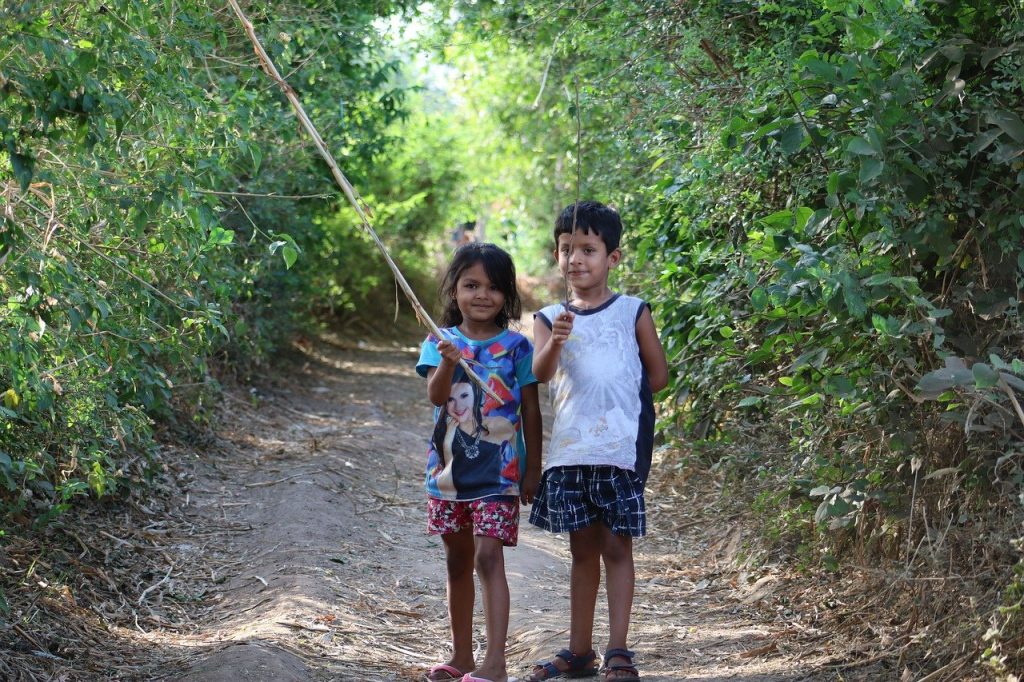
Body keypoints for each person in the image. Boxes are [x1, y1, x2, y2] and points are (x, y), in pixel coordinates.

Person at [524, 201, 668, 682]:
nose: (576, 259)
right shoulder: (548, 318)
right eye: (567, 249)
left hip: (620, 453)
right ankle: (579, 650)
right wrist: (557, 341)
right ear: (556, 255)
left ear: (614, 257)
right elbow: (539, 375)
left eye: (588, 249)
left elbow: (659, 375)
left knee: (617, 549)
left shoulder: (632, 311)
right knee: (582, 551)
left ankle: (618, 650)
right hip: (570, 455)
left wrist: (626, 401)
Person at [417, 242, 543, 682]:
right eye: (471, 285)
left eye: (493, 287)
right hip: (448, 473)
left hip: (500, 473)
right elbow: (436, 397)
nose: (482, 295)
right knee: (457, 560)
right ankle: (462, 657)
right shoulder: (440, 340)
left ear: (506, 296)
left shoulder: (516, 347)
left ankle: (496, 664)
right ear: (455, 291)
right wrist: (448, 364)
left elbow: (531, 409)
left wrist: (533, 469)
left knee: (489, 558)